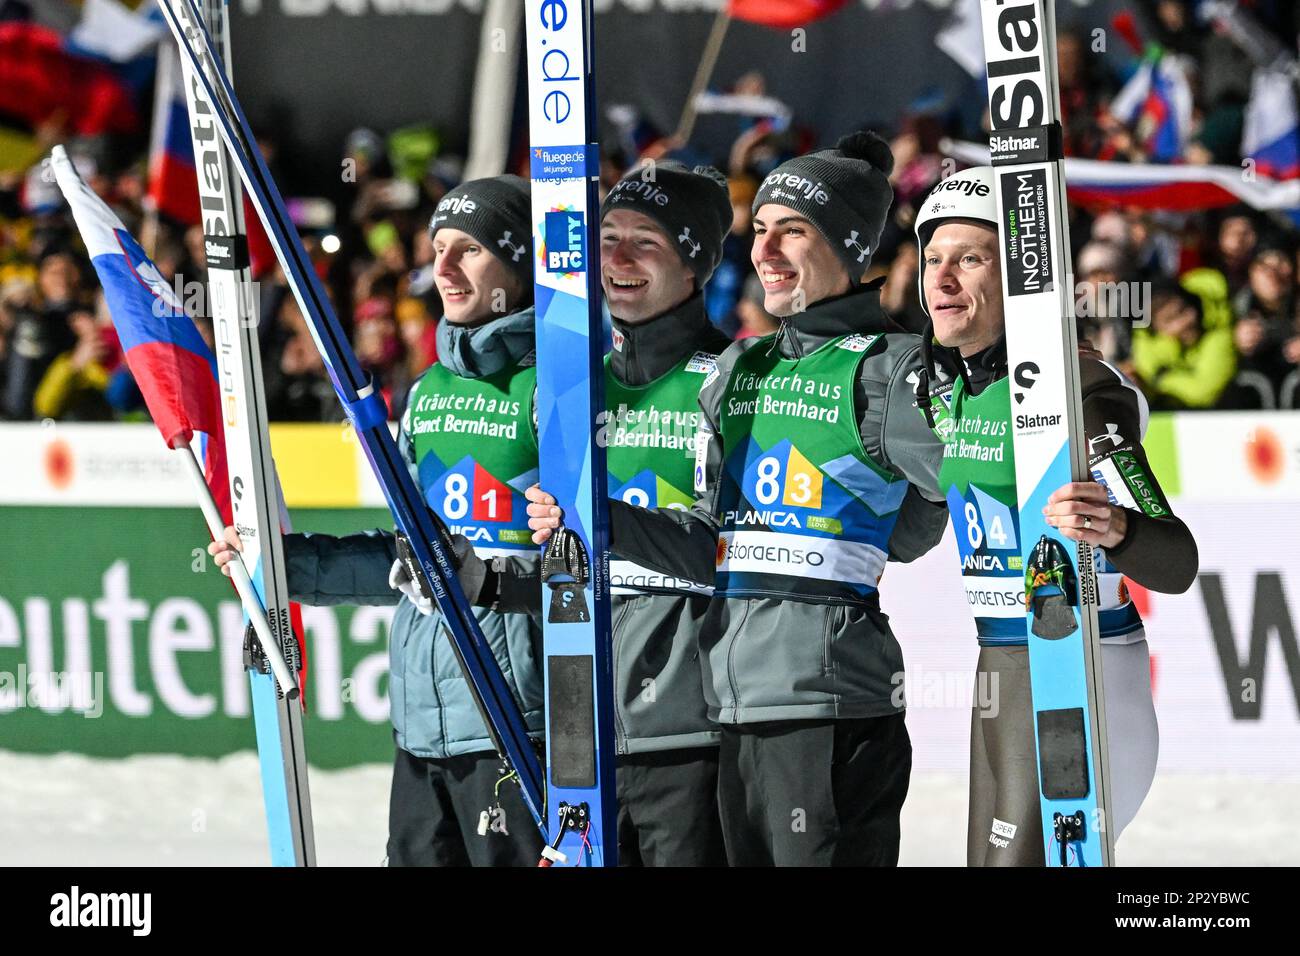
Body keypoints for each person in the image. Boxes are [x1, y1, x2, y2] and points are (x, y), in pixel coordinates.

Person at [528, 131, 951, 866]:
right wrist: (599, 519)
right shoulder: (743, 366)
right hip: (734, 701)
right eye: (759, 230)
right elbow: (709, 531)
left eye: (795, 232)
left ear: (850, 248)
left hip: (830, 703)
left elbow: (949, 500)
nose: (768, 251)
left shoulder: (890, 366)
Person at [213, 175, 545, 866]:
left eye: (470, 250)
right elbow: (407, 562)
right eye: (438, 249)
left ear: (518, 263)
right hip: (421, 728)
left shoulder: (560, 387)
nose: (443, 269)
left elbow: (591, 569)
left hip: (519, 725)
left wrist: (494, 582)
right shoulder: (426, 393)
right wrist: (281, 568)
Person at [910, 166, 1199, 865]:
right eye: (931, 259)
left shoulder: (1079, 387)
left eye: (970, 259)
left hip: (1083, 666)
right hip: (998, 672)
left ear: (1023, 279)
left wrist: (1115, 528)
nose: (942, 279)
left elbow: (1177, 560)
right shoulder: (943, 384)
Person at [475, 161, 734, 865]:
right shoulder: (567, 387)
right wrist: (495, 581)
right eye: (608, 237)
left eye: (645, 242)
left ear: (695, 265)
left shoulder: (728, 378)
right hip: (576, 733)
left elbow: (733, 557)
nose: (617, 259)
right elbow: (575, 577)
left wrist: (605, 521)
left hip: (691, 737)